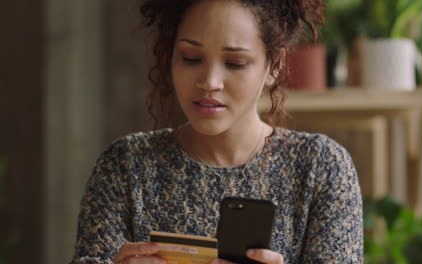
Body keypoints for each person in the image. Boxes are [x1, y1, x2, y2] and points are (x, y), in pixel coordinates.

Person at [70, 0, 363, 263]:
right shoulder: (125, 164)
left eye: (235, 63)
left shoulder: (321, 166)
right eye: (191, 58)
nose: (210, 82)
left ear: (274, 65)